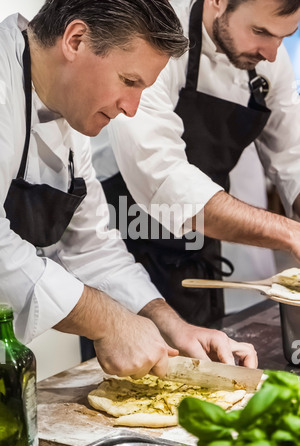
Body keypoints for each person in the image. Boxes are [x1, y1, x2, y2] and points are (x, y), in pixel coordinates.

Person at [0, 0, 258, 378]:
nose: (132, 109)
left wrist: (172, 326)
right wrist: (107, 321)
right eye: (129, 81)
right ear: (75, 40)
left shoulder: (71, 117)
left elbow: (92, 247)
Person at [92, 0, 300, 328]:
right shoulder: (150, 31)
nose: (272, 53)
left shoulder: (269, 58)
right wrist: (289, 233)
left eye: (284, 36)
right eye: (259, 31)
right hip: (125, 242)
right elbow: (163, 176)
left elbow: (293, 158)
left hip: (199, 247)